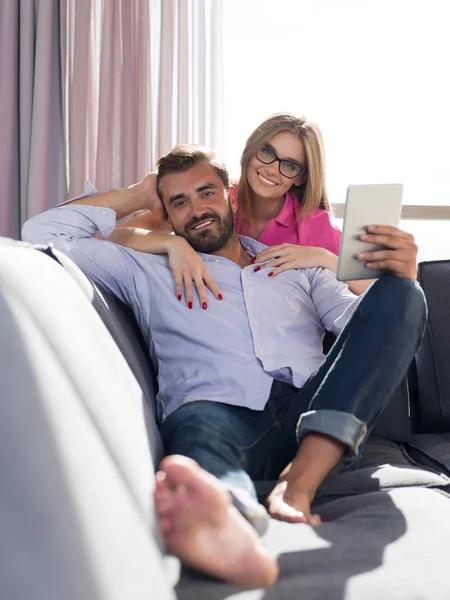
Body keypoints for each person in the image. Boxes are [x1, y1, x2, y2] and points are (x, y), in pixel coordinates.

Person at [22, 145, 426, 588]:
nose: (196, 209)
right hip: (216, 410)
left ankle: (300, 481)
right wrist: (142, 197)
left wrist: (393, 278)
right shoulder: (143, 267)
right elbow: (42, 231)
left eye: (206, 193)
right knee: (198, 432)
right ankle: (228, 520)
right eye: (179, 201)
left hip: (310, 418)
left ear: (231, 197)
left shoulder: (295, 266)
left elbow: (367, 332)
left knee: (405, 295)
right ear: (167, 213)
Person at [108, 113, 372, 302]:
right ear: (251, 150)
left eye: (290, 165)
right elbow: (114, 234)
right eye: (267, 153)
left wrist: (323, 259)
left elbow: (374, 291)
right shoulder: (213, 201)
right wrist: (174, 244)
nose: (271, 169)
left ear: (300, 177)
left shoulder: (314, 225)